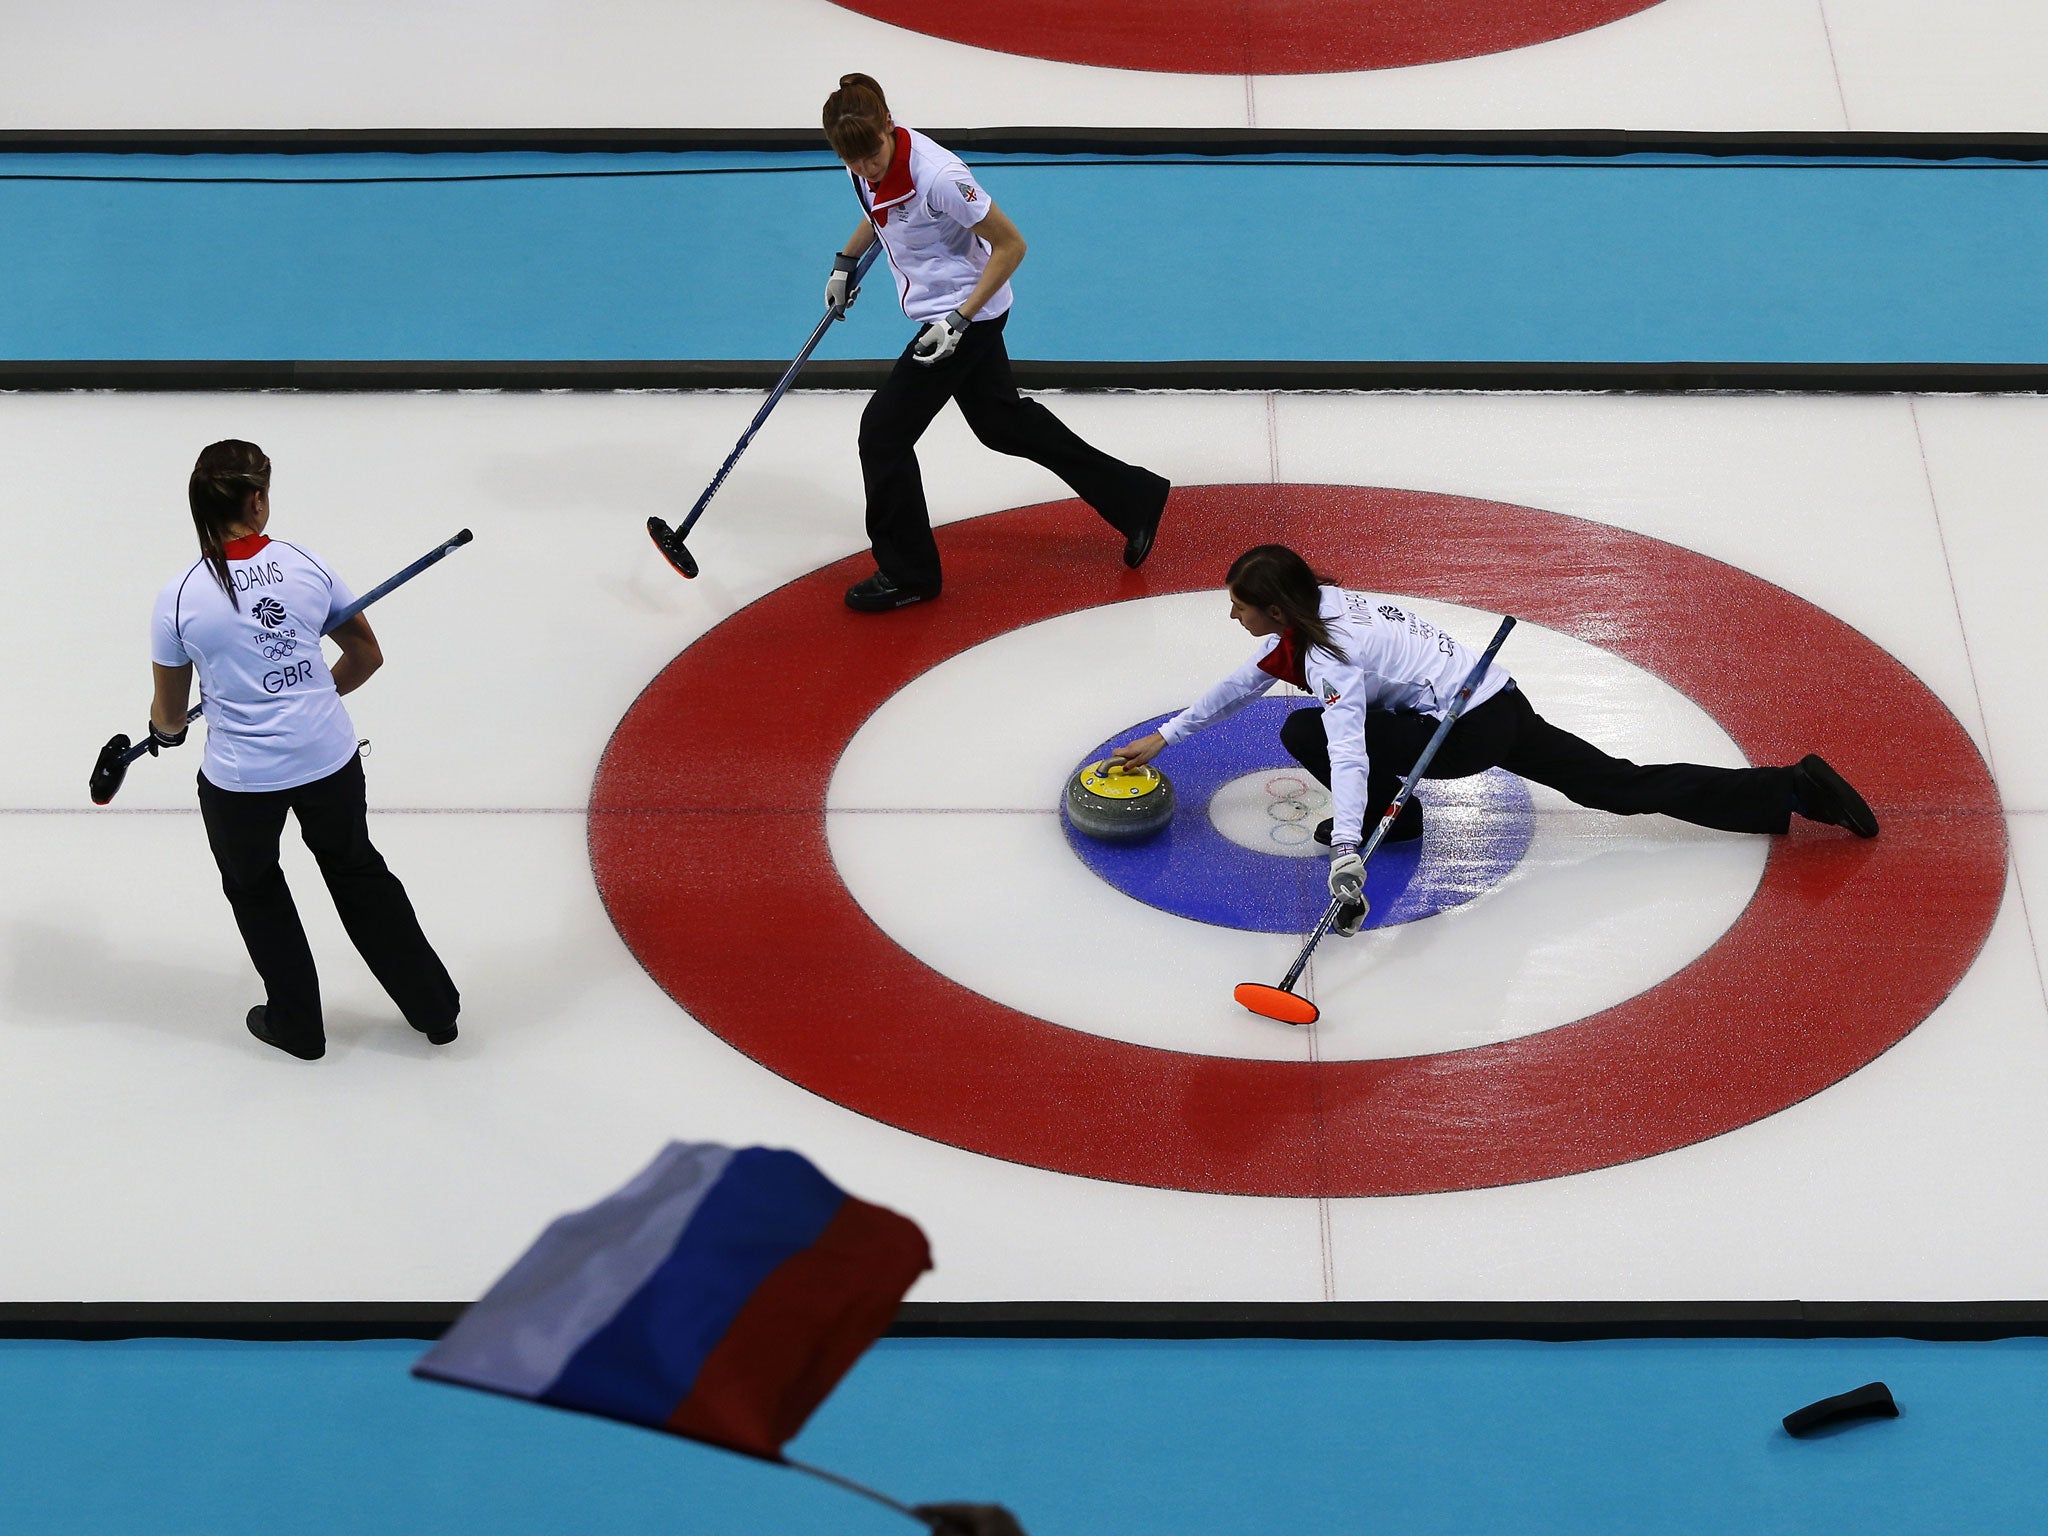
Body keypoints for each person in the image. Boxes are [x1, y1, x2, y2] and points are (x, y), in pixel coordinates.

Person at [1111, 544, 1879, 936]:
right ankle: (1794, 787)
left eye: (1241, 606)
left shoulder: (1330, 655)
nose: (1234, 616)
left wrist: (1348, 847)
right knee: (1614, 784)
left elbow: (1347, 751)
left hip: (1462, 734)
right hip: (1497, 701)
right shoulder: (1325, 606)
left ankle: (1394, 819)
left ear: (1276, 607)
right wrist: (1164, 737)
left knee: (1303, 727)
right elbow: (1245, 677)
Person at [146, 440, 459, 1060]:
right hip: (327, 758)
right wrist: (314, 696)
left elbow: (172, 714)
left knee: (256, 887)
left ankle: (298, 1024)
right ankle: (434, 1009)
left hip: (242, 779)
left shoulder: (179, 597)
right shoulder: (306, 566)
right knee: (357, 871)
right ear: (257, 499)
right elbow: (366, 654)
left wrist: (164, 734)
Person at [818, 72, 1171, 612]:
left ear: (889, 124)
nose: (866, 168)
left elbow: (1010, 246)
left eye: (872, 155)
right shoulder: (866, 160)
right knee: (1003, 424)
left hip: (965, 319)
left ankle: (909, 572)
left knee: (882, 434)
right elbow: (880, 210)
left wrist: (958, 320)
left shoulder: (939, 177)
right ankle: (1135, 496)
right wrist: (846, 261)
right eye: (854, 161)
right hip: (947, 316)